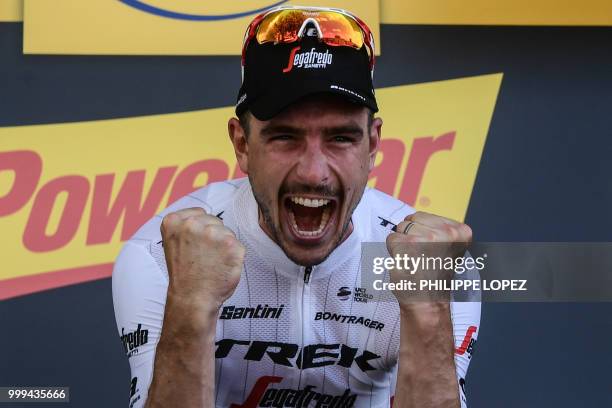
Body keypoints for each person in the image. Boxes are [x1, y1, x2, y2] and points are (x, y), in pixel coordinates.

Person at [112, 6, 480, 408]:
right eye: (285, 137)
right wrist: (190, 307)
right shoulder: (162, 254)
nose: (313, 172)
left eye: (340, 138)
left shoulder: (435, 261)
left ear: (372, 145)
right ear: (242, 144)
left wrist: (428, 309)